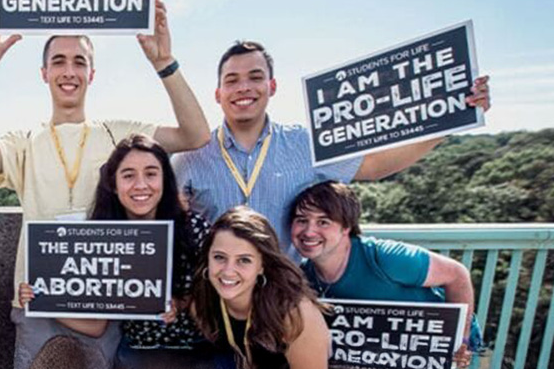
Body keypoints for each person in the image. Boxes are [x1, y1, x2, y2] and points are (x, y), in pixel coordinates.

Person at [0, 0, 211, 369]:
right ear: (44, 73)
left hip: (106, 309)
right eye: (59, 61)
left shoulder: (120, 132)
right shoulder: (25, 139)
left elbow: (195, 133)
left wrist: (164, 63)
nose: (69, 70)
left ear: (92, 72)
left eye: (78, 61)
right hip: (38, 304)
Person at [173, 40, 492, 253]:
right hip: (214, 300)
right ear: (218, 93)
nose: (243, 87)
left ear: (271, 86)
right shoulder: (191, 156)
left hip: (284, 300)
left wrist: (452, 119)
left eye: (255, 77)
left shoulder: (304, 143)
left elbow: (374, 166)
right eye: (232, 80)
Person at [19, 134, 214, 369]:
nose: (140, 185)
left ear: (165, 179)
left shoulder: (193, 229)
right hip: (136, 356)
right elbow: (97, 325)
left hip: (189, 355)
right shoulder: (104, 234)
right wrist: (42, 299)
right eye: (128, 175)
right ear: (114, 183)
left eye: (151, 174)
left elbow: (217, 308)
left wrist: (183, 304)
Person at [289, 181, 480, 369]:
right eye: (301, 220)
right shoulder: (306, 275)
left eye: (323, 222)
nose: (309, 231)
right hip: (371, 351)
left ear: (346, 227)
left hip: (434, 346)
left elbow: (457, 275)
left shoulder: (383, 256)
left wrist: (460, 339)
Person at [191, 206, 330, 369]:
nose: (228, 271)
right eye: (219, 257)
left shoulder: (295, 314)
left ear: (262, 265)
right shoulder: (203, 302)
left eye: (244, 260)